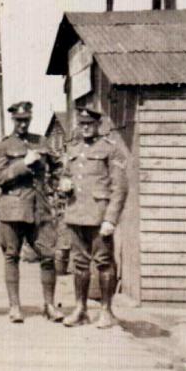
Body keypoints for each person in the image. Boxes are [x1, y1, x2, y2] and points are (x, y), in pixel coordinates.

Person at [0, 101, 64, 323]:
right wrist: (24, 164)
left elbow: (58, 165)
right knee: (11, 256)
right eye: (19, 120)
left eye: (26, 120)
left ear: (30, 119)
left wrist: (59, 183)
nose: (22, 124)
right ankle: (14, 307)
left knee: (48, 256)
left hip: (40, 209)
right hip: (13, 211)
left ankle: (49, 305)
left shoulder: (41, 141)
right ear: (13, 120)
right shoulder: (3, 147)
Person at [58, 107, 128, 329]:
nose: (85, 127)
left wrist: (111, 219)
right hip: (76, 214)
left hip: (99, 217)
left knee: (104, 262)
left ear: (98, 125)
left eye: (89, 123)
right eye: (82, 123)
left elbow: (120, 188)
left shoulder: (110, 150)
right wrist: (64, 185)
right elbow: (65, 177)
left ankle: (106, 311)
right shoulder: (73, 148)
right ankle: (80, 309)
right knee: (79, 264)